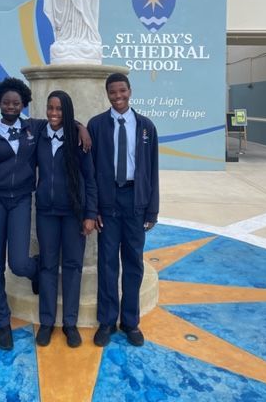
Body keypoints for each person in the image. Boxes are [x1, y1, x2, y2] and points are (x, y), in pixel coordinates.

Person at [0, 77, 90, 351]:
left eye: (16, 103)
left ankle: (36, 269)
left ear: (24, 104)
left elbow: (62, 118)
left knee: (18, 263)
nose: (11, 106)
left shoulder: (33, 128)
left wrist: (81, 127)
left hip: (22, 200)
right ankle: (2, 324)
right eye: (6, 102)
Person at [87, 73, 159, 348]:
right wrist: (93, 209)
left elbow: (152, 170)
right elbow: (90, 171)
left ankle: (130, 321)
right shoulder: (97, 125)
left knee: (133, 263)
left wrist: (152, 210)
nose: (118, 97)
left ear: (130, 91)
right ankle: (107, 321)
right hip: (108, 204)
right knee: (107, 263)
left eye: (122, 91)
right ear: (107, 94)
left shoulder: (145, 127)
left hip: (135, 201)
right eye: (112, 93)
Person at [35, 90, 97, 349]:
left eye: (59, 109)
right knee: (48, 267)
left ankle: (69, 323)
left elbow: (90, 179)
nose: (53, 113)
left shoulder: (78, 141)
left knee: (72, 267)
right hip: (46, 213)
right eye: (50, 108)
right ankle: (47, 322)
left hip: (73, 213)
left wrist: (90, 214)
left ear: (67, 111)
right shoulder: (38, 134)